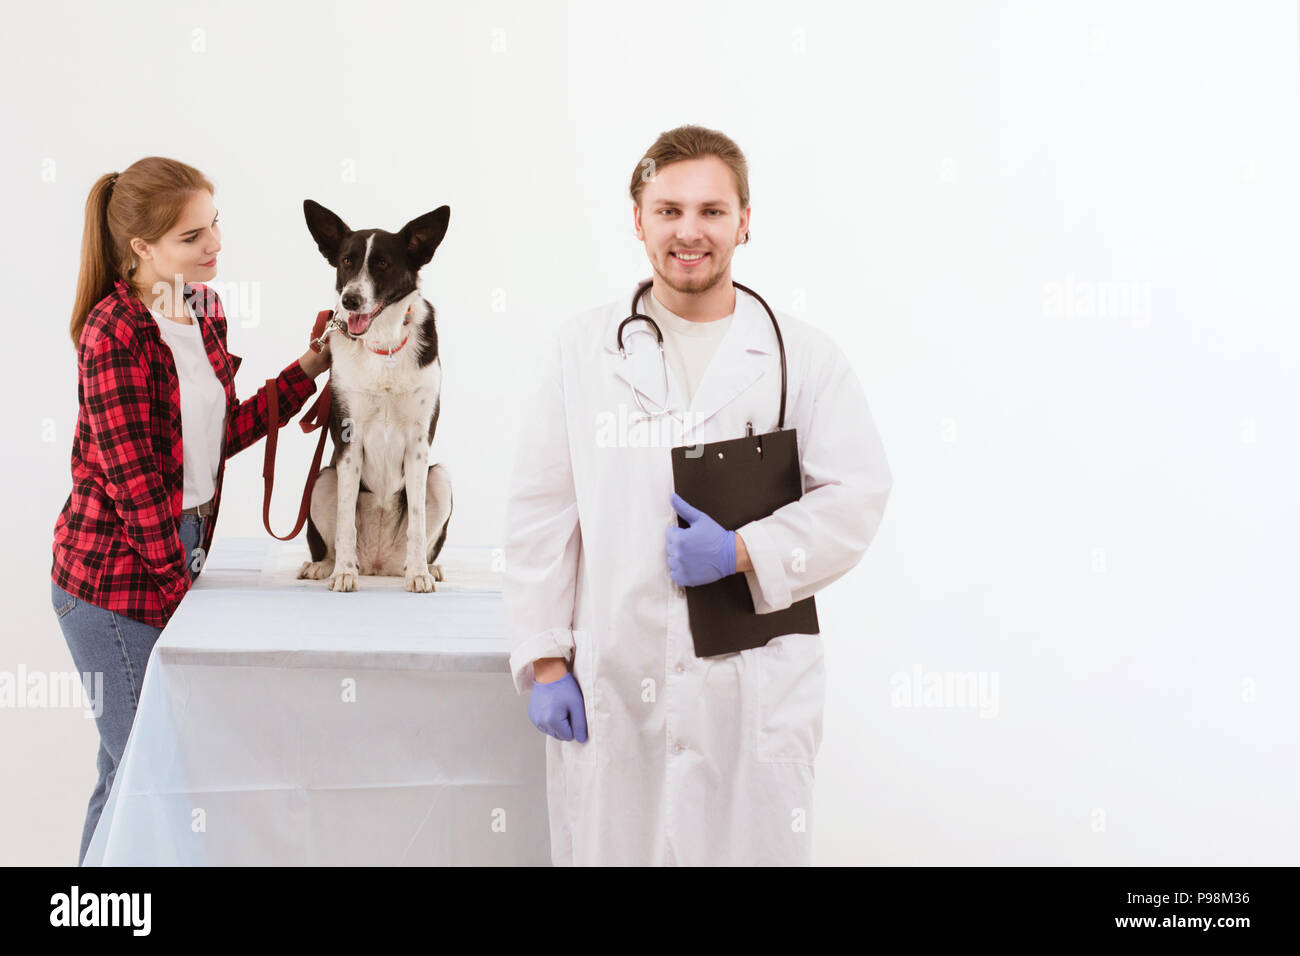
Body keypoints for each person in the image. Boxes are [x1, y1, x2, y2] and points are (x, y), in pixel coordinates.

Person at [503, 125, 893, 865]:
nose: (690, 231)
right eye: (669, 209)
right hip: (616, 683)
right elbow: (539, 516)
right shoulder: (583, 353)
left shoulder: (801, 357)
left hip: (753, 695)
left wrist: (746, 550)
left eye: (713, 211)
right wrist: (546, 661)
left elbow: (857, 495)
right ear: (638, 219)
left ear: (746, 221)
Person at [49, 157, 332, 865]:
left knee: (126, 771)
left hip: (177, 551)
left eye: (215, 226)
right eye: (192, 236)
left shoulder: (203, 309)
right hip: (115, 582)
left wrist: (309, 368)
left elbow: (219, 434)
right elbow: (137, 485)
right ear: (142, 248)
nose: (214, 246)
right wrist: (187, 595)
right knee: (155, 775)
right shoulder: (113, 333)